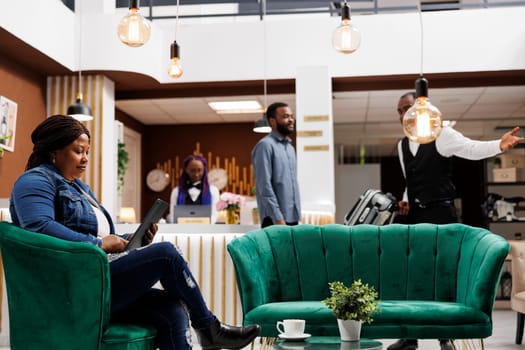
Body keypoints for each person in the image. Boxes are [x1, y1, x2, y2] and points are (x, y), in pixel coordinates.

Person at [9, 115, 260, 350]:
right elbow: (39, 229)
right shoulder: (34, 181)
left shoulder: (81, 188)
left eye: (87, 151)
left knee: (172, 306)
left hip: (97, 278)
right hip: (73, 286)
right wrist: (97, 243)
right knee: (165, 253)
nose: (85, 158)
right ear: (54, 151)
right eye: (78, 151)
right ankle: (209, 328)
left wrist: (129, 241)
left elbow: (98, 234)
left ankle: (209, 330)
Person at [389, 92, 524, 350]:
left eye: (408, 108)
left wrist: (499, 145)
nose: (404, 114)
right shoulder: (402, 144)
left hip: (441, 215)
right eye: (399, 110)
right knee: (413, 275)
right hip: (415, 217)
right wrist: (407, 199)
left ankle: (445, 337)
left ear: (423, 110)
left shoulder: (443, 134)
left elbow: (472, 149)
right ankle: (409, 338)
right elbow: (410, 181)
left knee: (442, 276)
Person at [251, 102, 301, 228]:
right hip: (275, 220)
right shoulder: (265, 146)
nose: (291, 120)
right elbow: (264, 186)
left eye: (291, 116)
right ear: (272, 121)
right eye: (285, 116)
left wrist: (297, 215)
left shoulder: (290, 148)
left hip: (292, 217)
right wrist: (277, 217)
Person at [168, 154, 220, 224]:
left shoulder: (213, 190)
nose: (196, 174)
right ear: (186, 170)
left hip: (205, 231)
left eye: (199, 170)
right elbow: (172, 216)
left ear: (204, 170)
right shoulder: (176, 191)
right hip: (182, 231)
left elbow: (214, 215)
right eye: (192, 170)